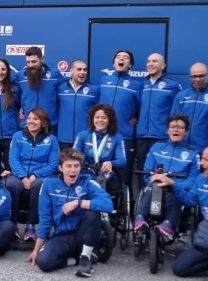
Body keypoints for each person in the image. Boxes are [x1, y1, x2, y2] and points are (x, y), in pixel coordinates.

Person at [27, 147, 113, 277]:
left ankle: (86, 258)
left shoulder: (88, 182)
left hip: (83, 235)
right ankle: (74, 260)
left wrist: (78, 203)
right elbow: (45, 219)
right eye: (68, 166)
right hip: (62, 236)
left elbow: (108, 204)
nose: (73, 170)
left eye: (76, 166)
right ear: (60, 168)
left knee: (92, 213)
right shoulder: (49, 184)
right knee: (43, 262)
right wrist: (36, 250)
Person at [133, 114, 200, 240]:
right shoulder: (157, 147)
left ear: (186, 132)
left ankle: (168, 224)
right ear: (167, 130)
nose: (176, 130)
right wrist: (152, 179)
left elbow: (193, 179)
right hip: (155, 186)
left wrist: (173, 184)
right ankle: (140, 218)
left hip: (176, 189)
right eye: (173, 127)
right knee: (153, 188)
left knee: (172, 192)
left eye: (180, 127)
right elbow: (147, 171)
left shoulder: (192, 153)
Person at [5, 107, 59, 242]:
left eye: (35, 119)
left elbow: (53, 164)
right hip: (19, 174)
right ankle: (12, 225)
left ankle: (31, 226)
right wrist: (23, 177)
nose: (31, 121)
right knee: (11, 184)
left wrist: (35, 174)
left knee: (39, 185)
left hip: (40, 176)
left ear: (43, 122)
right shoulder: (18, 136)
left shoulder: (52, 140)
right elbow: (13, 159)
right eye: (29, 118)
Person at [98, 50, 141, 188]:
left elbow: (142, 109)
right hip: (102, 137)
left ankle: (124, 208)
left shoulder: (137, 85)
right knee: (100, 173)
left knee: (123, 177)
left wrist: (135, 118)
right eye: (118, 57)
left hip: (124, 137)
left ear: (130, 65)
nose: (121, 59)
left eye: (125, 57)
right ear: (113, 62)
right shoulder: (104, 80)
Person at [136, 53, 181, 184]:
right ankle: (143, 200)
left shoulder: (173, 85)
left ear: (163, 65)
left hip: (161, 137)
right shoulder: (142, 85)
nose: (150, 64)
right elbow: (137, 107)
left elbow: (176, 113)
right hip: (142, 136)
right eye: (148, 61)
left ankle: (162, 203)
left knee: (162, 173)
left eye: (155, 61)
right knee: (143, 172)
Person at [171, 146, 208, 279]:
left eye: (206, 160)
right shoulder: (201, 179)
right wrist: (173, 186)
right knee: (179, 268)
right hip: (205, 239)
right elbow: (189, 201)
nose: (202, 163)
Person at [73, 104, 127, 194]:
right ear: (92, 119)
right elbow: (73, 156)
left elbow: (122, 161)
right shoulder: (82, 135)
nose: (100, 120)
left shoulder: (117, 137)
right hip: (86, 173)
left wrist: (110, 163)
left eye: (104, 118)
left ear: (110, 120)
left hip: (106, 175)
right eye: (97, 117)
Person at [14, 46, 65, 131]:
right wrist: (21, 106)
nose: (30, 65)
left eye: (34, 62)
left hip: (49, 125)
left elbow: (64, 94)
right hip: (28, 125)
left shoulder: (54, 74)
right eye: (28, 62)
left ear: (42, 59)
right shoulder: (20, 76)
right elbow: (17, 95)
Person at [57, 60, 99, 149]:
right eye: (79, 69)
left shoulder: (94, 89)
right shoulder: (60, 88)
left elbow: (99, 111)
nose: (82, 72)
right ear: (71, 71)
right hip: (63, 138)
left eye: (85, 70)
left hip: (85, 139)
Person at [171, 62, 208, 152]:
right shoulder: (181, 96)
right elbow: (173, 122)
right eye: (194, 76)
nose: (198, 79)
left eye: (201, 76)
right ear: (190, 77)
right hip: (182, 148)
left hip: (204, 151)